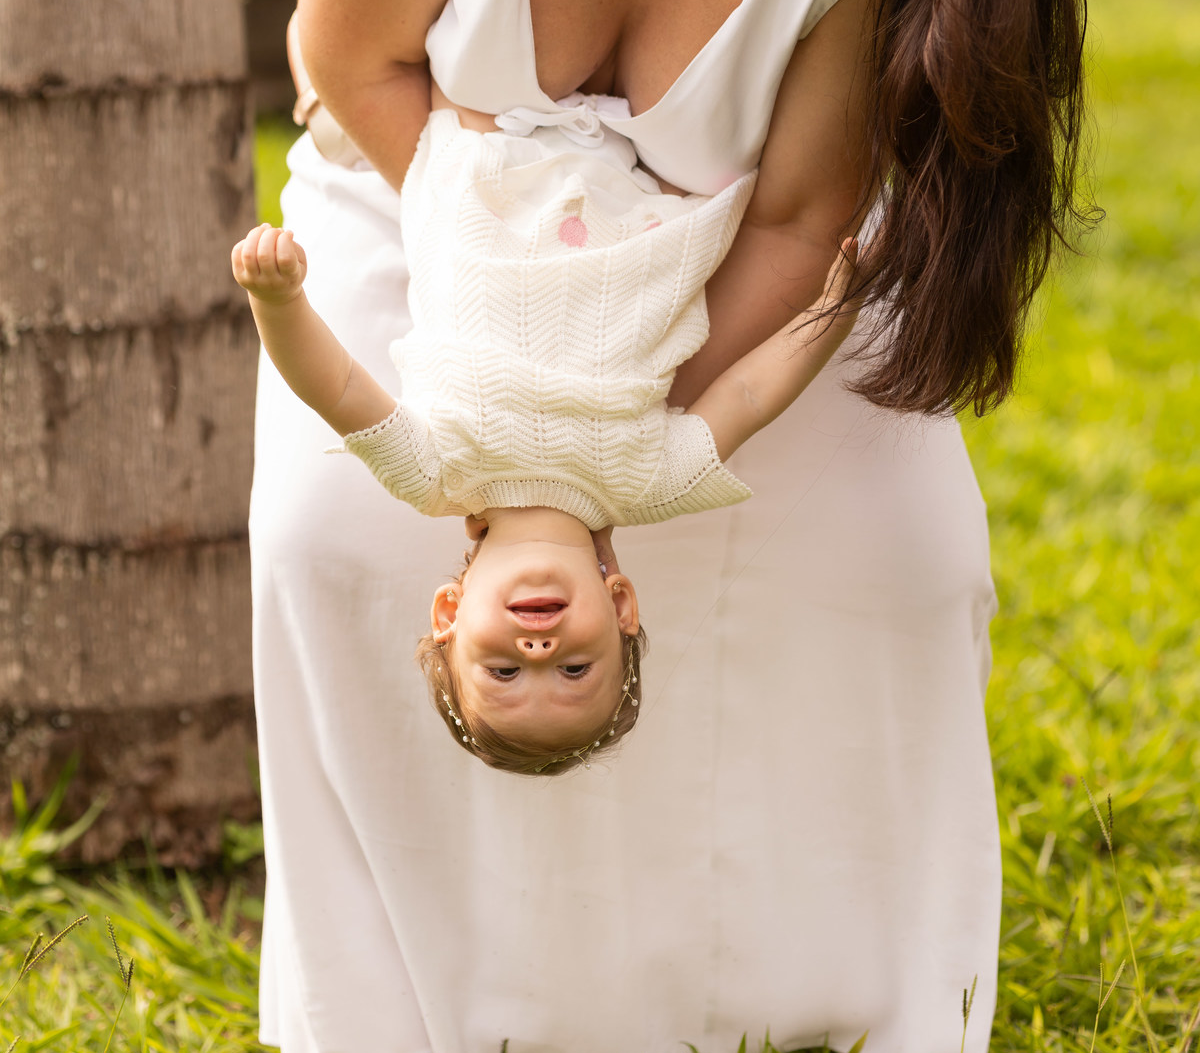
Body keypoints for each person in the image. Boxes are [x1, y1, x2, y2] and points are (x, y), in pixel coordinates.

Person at [249, 0, 1085, 1053]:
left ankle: (882, 998)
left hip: (702, 296)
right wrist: (515, 334)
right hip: (420, 205)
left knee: (904, 554)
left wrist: (630, 417)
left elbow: (793, 227)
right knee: (331, 539)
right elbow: (344, 50)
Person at [232, 94, 857, 771]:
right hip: (649, 172)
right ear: (621, 607)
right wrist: (833, 313)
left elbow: (337, 388)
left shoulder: (433, 473)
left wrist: (277, 302)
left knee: (405, 58)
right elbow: (748, 393)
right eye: (575, 672)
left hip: (486, 135)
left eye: (501, 674)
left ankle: (323, 92)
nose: (538, 655)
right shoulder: (648, 482)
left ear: (450, 612)